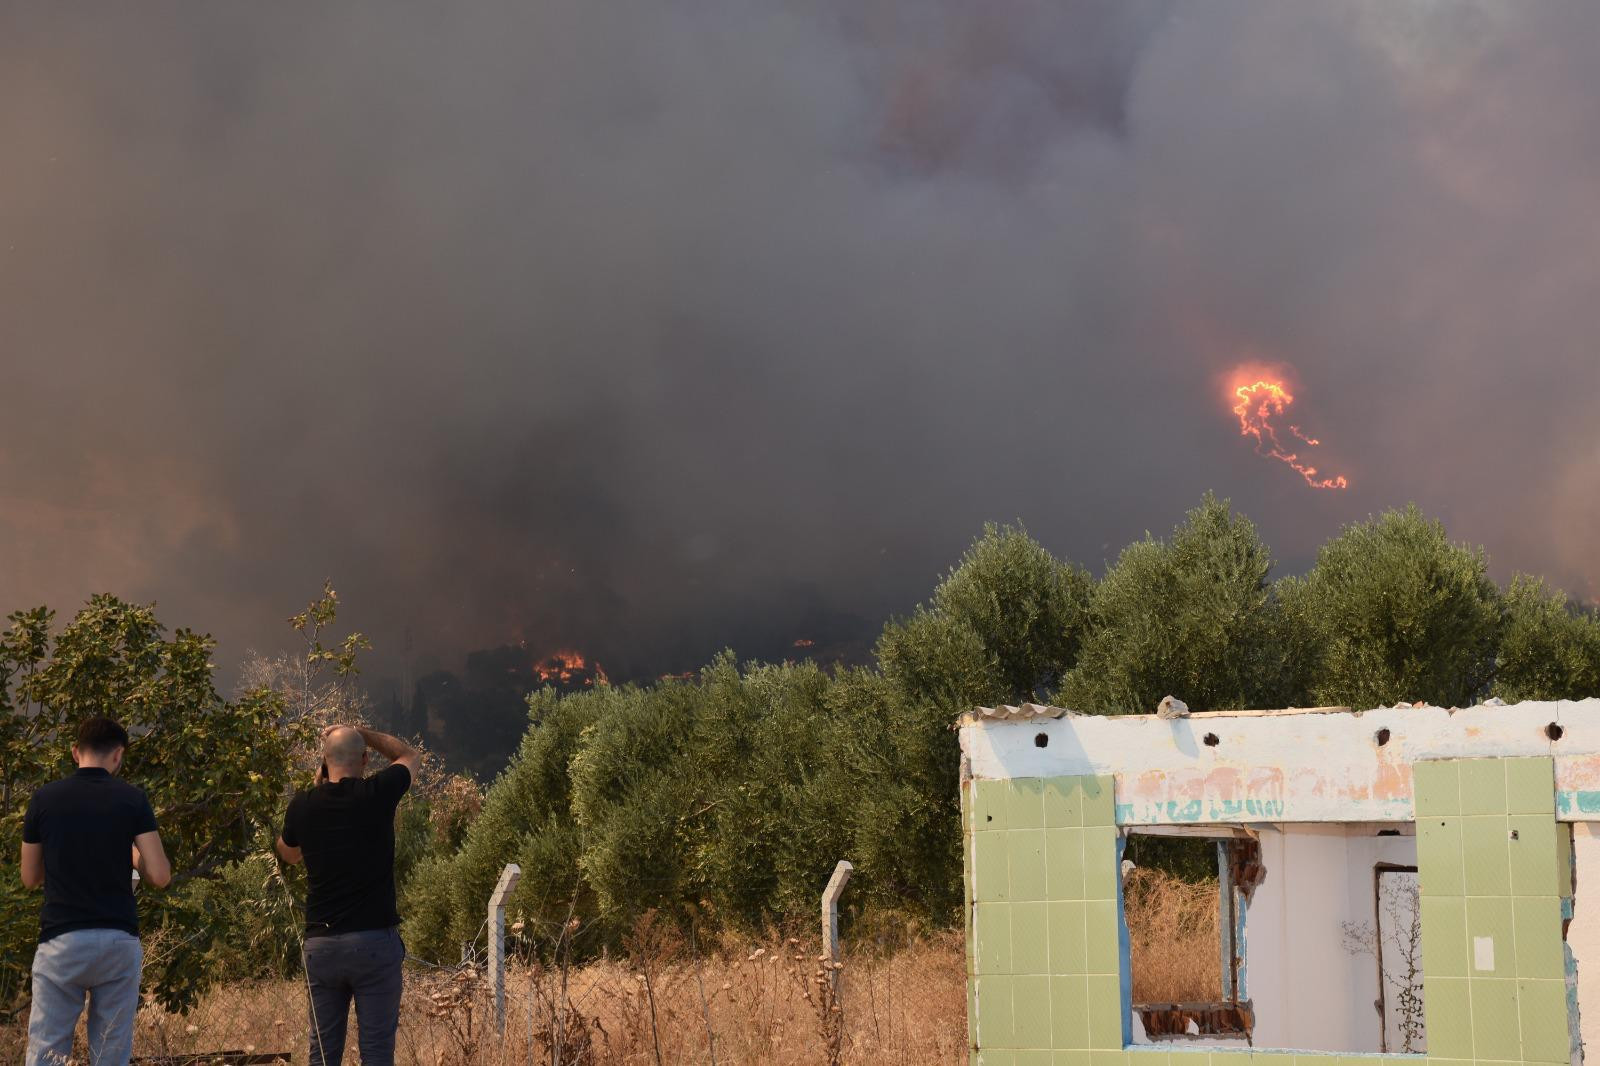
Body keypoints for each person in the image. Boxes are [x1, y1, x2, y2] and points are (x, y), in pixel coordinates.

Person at [21, 716, 171, 1066]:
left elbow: (29, 877)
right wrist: (133, 856)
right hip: (117, 940)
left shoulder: (44, 799)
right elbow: (160, 875)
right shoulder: (133, 799)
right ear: (118, 755)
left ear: (75, 752)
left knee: (46, 1052)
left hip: (61, 940)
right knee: (110, 1052)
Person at [277, 724, 420, 1066]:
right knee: (377, 1054)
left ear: (324, 761)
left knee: (323, 1055)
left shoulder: (303, 805)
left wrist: (315, 803)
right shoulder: (377, 793)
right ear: (365, 759)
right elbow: (409, 756)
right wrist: (362, 732)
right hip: (373, 943)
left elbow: (289, 853)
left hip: (322, 946)